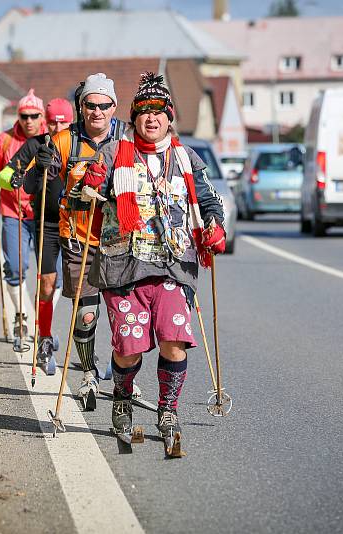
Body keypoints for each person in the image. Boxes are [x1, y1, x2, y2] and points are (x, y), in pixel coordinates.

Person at [80, 72, 226, 456]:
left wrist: (214, 224)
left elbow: (210, 199)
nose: (151, 118)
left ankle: (168, 410)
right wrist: (88, 186)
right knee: (129, 348)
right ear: (134, 117)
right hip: (123, 266)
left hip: (174, 265)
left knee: (174, 340)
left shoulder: (186, 157)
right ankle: (123, 397)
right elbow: (84, 195)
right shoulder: (113, 153)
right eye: (143, 111)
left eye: (158, 111)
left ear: (169, 116)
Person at [28, 73, 133, 410]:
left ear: (114, 107)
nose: (97, 111)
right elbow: (31, 185)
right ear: (81, 107)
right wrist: (41, 168)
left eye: (104, 105)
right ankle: (88, 372)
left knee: (126, 318)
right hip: (79, 240)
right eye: (90, 105)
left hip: (121, 242)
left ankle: (123, 378)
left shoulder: (129, 139)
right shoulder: (63, 141)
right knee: (87, 316)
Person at [1, 97, 75, 372]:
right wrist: (14, 179)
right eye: (53, 121)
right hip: (48, 223)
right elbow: (6, 174)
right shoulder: (36, 144)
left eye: (63, 121)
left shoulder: (79, 142)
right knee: (47, 283)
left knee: (85, 288)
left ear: (71, 120)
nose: (58, 127)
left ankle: (88, 353)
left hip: (78, 223)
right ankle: (44, 338)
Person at [0, 89, 47, 340]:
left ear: (42, 116)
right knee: (17, 267)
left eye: (34, 115)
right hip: (12, 212)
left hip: (44, 214)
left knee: (53, 274)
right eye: (24, 116)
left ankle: (44, 321)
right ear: (18, 116)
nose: (29, 121)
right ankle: (21, 315)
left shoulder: (51, 138)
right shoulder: (4, 140)